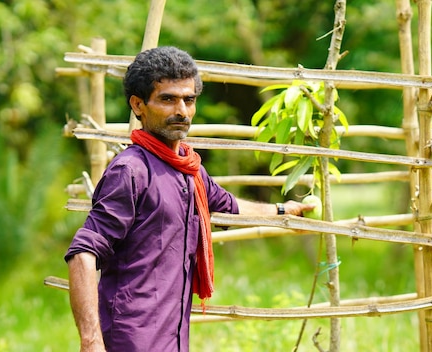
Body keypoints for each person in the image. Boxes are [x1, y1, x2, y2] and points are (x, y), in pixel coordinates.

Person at [65, 46, 314, 352]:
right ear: (138, 105)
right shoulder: (131, 171)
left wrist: (282, 210)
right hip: (132, 338)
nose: (181, 111)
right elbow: (83, 253)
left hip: (174, 336)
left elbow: (226, 205)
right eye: (168, 99)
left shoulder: (188, 167)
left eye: (189, 99)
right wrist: (91, 342)